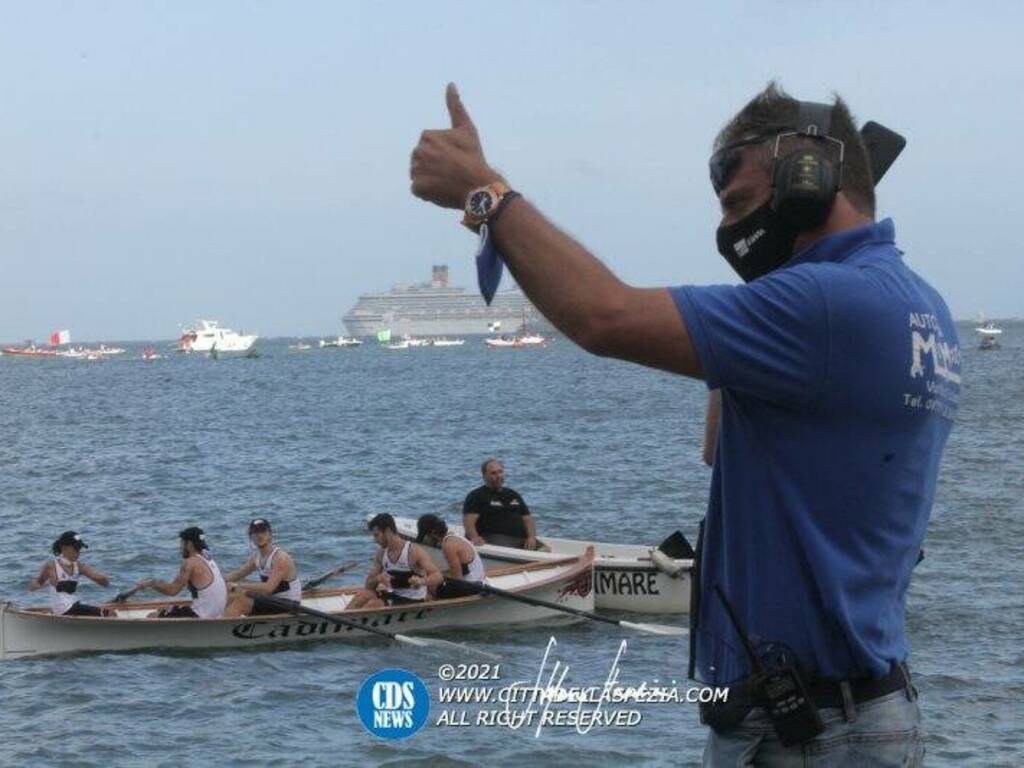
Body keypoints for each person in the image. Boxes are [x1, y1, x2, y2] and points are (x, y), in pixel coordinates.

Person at [410, 82, 959, 765]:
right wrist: (774, 266)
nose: (730, 232)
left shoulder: (826, 305)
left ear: (807, 177)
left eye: (738, 204)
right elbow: (716, 450)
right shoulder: (916, 306)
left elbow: (601, 316)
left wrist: (484, 194)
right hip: (853, 707)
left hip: (809, 732)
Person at [346, 513, 442, 610]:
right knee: (363, 594)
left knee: (374, 604)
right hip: (394, 595)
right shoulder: (381, 553)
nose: (375, 540)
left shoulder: (413, 551)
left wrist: (422, 581)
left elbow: (438, 576)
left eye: (376, 535)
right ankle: (341, 619)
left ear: (387, 531)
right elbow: (368, 586)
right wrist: (378, 578)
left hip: (413, 599)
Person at [132, 527, 228, 618]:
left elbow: (172, 590)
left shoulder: (190, 562)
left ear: (189, 544)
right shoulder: (209, 559)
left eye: (182, 543)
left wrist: (151, 583)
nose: (180, 547)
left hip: (200, 615)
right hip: (215, 613)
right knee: (163, 609)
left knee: (152, 616)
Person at [222, 518, 302, 617]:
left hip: (289, 604)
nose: (259, 535)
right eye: (255, 532)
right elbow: (237, 574)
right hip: (272, 600)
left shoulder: (280, 558)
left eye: (263, 531)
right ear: (250, 537)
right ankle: (211, 622)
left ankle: (220, 628)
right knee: (231, 595)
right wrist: (216, 580)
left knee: (241, 602)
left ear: (270, 534)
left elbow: (268, 588)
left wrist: (238, 585)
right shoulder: (257, 557)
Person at [462, 458, 547, 550]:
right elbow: (469, 522)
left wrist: (531, 537)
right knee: (512, 550)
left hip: (521, 538)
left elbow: (528, 519)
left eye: (500, 472)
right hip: (494, 537)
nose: (498, 476)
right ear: (484, 476)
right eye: (493, 473)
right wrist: (474, 537)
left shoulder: (513, 494)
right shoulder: (476, 496)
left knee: (545, 550)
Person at [28, 531, 111, 616]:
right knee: (109, 613)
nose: (78, 552)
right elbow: (31, 587)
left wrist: (102, 579)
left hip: (73, 607)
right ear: (64, 548)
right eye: (75, 548)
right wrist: (41, 585)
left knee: (104, 609)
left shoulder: (79, 566)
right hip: (64, 609)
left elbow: (105, 583)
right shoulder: (51, 565)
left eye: (79, 549)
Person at [416, 513, 485, 599]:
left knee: (427, 587)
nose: (426, 539)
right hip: (476, 581)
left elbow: (457, 579)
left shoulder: (448, 545)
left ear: (433, 533)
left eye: (426, 536)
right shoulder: (454, 536)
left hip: (471, 587)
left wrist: (429, 581)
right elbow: (457, 571)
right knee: (432, 581)